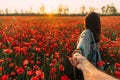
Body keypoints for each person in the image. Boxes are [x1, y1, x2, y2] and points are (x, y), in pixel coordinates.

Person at [70, 12, 118, 80]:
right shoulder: (87, 33)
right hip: (88, 71)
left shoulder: (94, 35)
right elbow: (82, 43)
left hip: (93, 70)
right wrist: (78, 52)